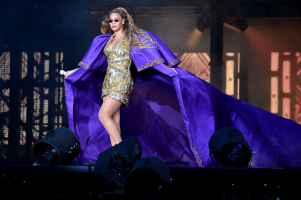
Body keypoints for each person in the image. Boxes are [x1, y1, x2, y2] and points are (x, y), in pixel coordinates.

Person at [65, 7, 301, 168]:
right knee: (113, 118)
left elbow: (151, 56)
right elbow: (92, 63)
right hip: (109, 82)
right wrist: (73, 73)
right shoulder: (105, 41)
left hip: (121, 81)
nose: (113, 23)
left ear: (124, 21)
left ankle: (120, 151)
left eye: (116, 19)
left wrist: (170, 71)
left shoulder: (134, 38)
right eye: (111, 20)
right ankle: (119, 154)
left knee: (103, 114)